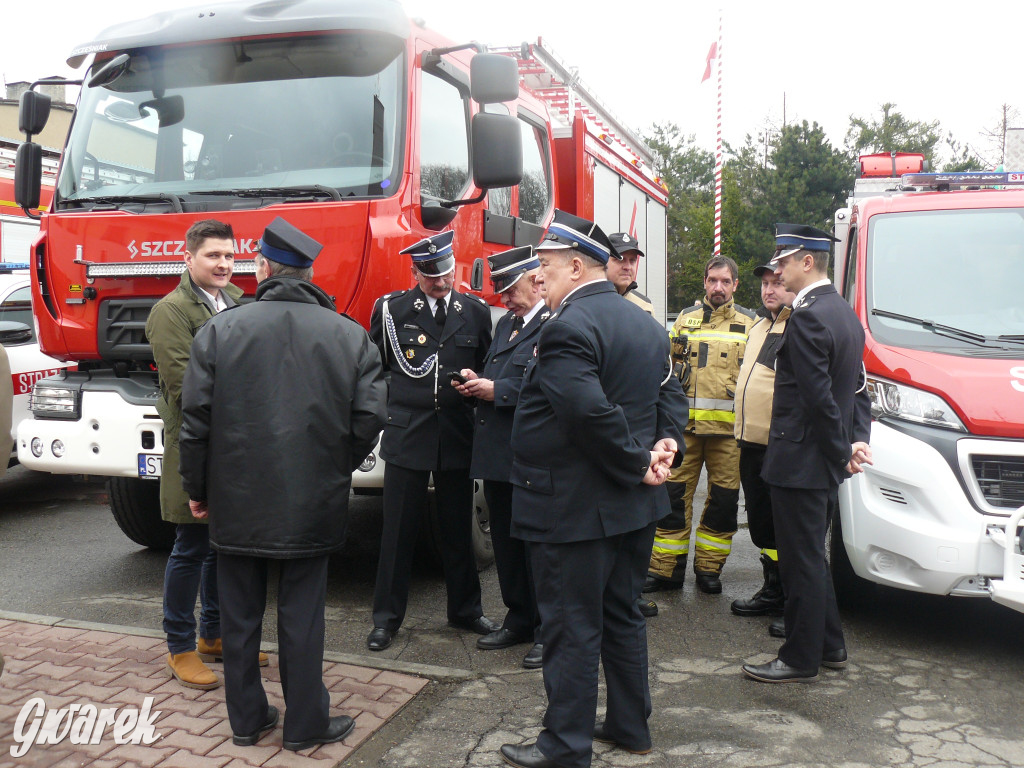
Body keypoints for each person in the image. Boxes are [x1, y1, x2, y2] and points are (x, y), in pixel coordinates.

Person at [179, 217, 387, 747]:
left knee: (238, 615)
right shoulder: (348, 333)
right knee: (302, 616)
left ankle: (247, 721)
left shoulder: (219, 330)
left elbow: (196, 420)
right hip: (311, 497)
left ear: (263, 268)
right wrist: (336, 464)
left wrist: (198, 487)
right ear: (310, 273)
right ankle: (305, 725)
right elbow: (370, 416)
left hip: (238, 497)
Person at [499, 210, 687, 768]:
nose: (539, 279)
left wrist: (639, 461)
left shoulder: (566, 328)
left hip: (572, 508)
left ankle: (563, 748)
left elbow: (588, 413)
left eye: (548, 268)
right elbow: (665, 398)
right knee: (622, 614)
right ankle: (630, 726)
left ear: (577, 266)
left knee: (570, 628)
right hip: (627, 506)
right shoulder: (647, 326)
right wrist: (665, 445)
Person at [741, 223, 872, 684]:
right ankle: (830, 643)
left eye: (783, 261)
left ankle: (799, 657)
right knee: (810, 557)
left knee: (800, 563)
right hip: (817, 461)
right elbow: (858, 390)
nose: (777, 270)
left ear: (807, 262)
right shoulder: (842, 313)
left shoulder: (810, 316)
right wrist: (856, 442)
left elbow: (817, 398)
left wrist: (842, 452)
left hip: (800, 462)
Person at [367, 231, 497, 651]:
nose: (439, 282)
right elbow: (378, 366)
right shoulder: (391, 309)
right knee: (398, 532)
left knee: (458, 529)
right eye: (429, 276)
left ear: (454, 265)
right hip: (408, 433)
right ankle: (386, 619)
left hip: (456, 434)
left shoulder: (475, 311)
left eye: (443, 273)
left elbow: (484, 364)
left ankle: (465, 610)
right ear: (415, 272)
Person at [146, 219, 249, 690]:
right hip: (194, 443)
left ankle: (213, 636)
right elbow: (187, 386)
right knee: (189, 547)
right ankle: (180, 647)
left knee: (215, 548)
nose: (224, 263)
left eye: (229, 255)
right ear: (189, 259)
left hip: (227, 442)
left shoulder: (235, 302)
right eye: (213, 255)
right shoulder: (171, 311)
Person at [454, 245, 547, 670]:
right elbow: (504, 373)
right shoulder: (508, 325)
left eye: (510, 288)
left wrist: (498, 391)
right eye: (501, 290)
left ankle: (548, 627)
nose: (504, 298)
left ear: (536, 280)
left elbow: (549, 387)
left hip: (528, 454)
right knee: (507, 545)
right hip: (498, 455)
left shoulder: (552, 324)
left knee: (536, 547)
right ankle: (519, 617)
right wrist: (480, 381)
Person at [645, 255, 755, 595]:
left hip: (728, 437)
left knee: (722, 504)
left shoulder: (752, 324)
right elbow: (667, 371)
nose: (718, 287)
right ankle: (665, 571)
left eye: (725, 281)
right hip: (685, 432)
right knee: (672, 499)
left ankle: (709, 570)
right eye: (712, 281)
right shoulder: (684, 320)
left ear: (735, 285)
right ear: (704, 282)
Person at [730, 263, 796, 618]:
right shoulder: (758, 327)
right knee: (762, 524)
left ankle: (792, 598)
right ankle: (773, 588)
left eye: (777, 283)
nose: (769, 290)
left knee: (785, 526)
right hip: (750, 443)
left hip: (779, 445)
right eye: (765, 284)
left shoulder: (798, 327)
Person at [608, 232, 660, 620]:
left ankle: (632, 591)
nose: (627, 265)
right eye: (620, 258)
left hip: (639, 438)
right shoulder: (579, 308)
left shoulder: (645, 310)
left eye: (633, 260)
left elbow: (663, 379)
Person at [606, 233, 654, 314]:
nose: (627, 267)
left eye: (632, 260)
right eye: (620, 259)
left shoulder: (645, 306)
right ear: (604, 261)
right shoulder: (589, 301)